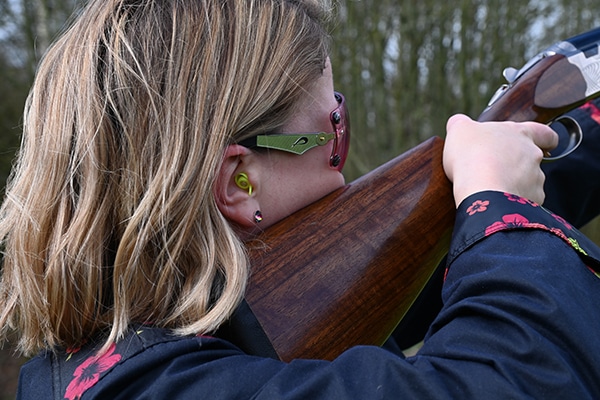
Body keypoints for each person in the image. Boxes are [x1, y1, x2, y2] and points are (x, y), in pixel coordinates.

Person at [2, 0, 599, 398]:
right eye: (333, 125)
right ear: (240, 180)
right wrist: (501, 209)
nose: (351, 177)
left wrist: (516, 157)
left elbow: (421, 269)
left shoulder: (125, 361)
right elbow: (519, 377)